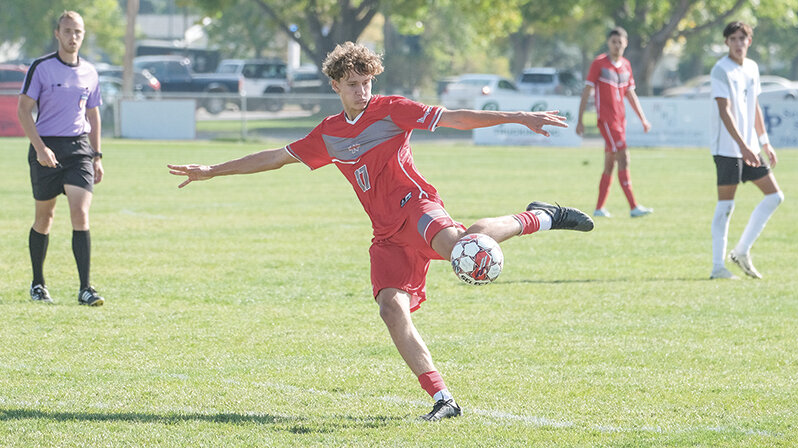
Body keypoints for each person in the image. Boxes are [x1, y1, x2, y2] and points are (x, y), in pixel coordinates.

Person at [169, 42, 594, 421]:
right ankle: (443, 398)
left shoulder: (391, 109)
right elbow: (274, 157)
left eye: (367, 82)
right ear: (335, 85)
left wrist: (517, 116)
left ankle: (543, 216)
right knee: (392, 309)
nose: (362, 90)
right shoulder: (329, 134)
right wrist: (213, 170)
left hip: (418, 207)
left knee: (467, 250)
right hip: (387, 235)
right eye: (353, 84)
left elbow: (455, 119)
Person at [17, 10, 105, 306]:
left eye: (78, 32)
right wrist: (40, 148)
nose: (73, 37)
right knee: (45, 217)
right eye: (67, 31)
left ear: (83, 34)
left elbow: (93, 112)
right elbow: (23, 109)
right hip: (47, 145)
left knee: (80, 213)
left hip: (79, 148)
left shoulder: (90, 72)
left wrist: (97, 155)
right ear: (58, 33)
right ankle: (38, 283)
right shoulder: (41, 68)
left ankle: (85, 288)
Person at [709, 21, 783, 280]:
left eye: (742, 38)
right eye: (733, 38)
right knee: (726, 206)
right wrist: (742, 147)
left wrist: (764, 142)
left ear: (749, 41)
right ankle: (717, 266)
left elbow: (754, 107)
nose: (738, 43)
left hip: (750, 148)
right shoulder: (721, 70)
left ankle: (741, 251)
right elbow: (724, 110)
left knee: (775, 197)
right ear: (726, 42)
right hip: (727, 149)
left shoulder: (752, 67)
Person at [576, 26, 653, 218]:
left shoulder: (626, 65)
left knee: (610, 163)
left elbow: (630, 93)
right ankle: (634, 207)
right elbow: (587, 91)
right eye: (613, 42)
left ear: (625, 43)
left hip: (620, 121)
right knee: (624, 157)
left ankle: (599, 208)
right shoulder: (599, 64)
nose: (617, 45)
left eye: (620, 42)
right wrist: (580, 120)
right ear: (608, 43)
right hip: (607, 120)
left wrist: (643, 118)